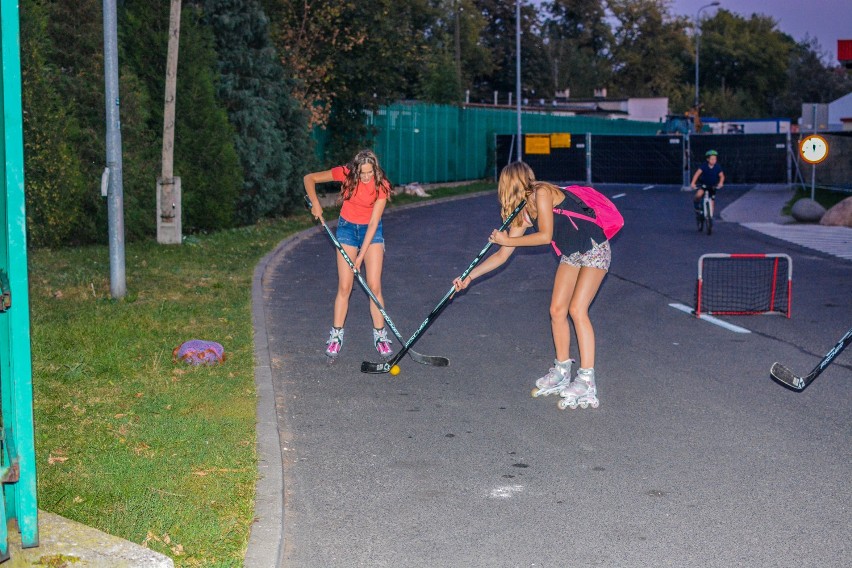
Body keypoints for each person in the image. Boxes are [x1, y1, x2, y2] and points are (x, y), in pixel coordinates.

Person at [452, 162, 614, 409]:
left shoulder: (543, 193)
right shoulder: (523, 212)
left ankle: (587, 378)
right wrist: (469, 277)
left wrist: (507, 239)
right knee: (557, 311)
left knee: (577, 310)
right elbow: (502, 255)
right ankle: (562, 370)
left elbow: (546, 236)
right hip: (572, 255)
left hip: (594, 248)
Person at [304, 149, 394, 361]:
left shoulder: (382, 185)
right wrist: (315, 203)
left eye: (369, 173)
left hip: (371, 232)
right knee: (345, 285)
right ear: (355, 169)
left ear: (375, 170)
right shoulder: (345, 173)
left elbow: (373, 224)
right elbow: (309, 178)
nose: (365, 177)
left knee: (374, 286)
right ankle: (336, 335)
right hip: (346, 229)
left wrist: (360, 258)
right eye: (361, 173)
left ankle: (380, 337)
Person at [690, 149, 725, 218]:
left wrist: (721, 183)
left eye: (715, 159)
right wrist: (693, 183)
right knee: (698, 195)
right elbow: (697, 174)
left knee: (712, 201)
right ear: (708, 159)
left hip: (713, 186)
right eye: (712, 159)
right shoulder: (704, 166)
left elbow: (722, 176)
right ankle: (696, 206)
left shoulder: (717, 167)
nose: (713, 160)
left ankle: (709, 217)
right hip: (704, 185)